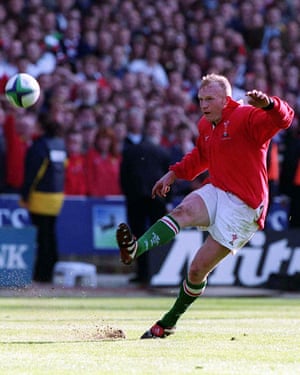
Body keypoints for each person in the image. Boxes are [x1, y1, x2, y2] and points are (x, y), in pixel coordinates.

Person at [116, 73, 294, 338]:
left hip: (245, 207)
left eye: (210, 99)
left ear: (226, 100)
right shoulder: (205, 125)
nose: (203, 104)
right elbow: (200, 156)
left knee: (197, 269)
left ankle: (169, 321)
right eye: (201, 99)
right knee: (182, 211)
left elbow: (285, 118)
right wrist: (173, 173)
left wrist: (269, 104)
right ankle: (135, 248)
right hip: (218, 189)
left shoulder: (246, 116)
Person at [120, 108, 171, 284]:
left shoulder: (131, 151)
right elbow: (171, 178)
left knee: (139, 237)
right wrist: (168, 201)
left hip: (136, 200)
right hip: (157, 201)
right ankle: (157, 273)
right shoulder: (163, 153)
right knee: (158, 237)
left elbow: (123, 177)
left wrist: (129, 196)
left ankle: (143, 274)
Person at [20, 114, 67, 283]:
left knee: (42, 236)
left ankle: (42, 273)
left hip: (40, 197)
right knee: (50, 234)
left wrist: (25, 195)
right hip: (56, 196)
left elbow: (33, 173)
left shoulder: (40, 146)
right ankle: (51, 267)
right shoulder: (60, 145)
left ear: (40, 127)